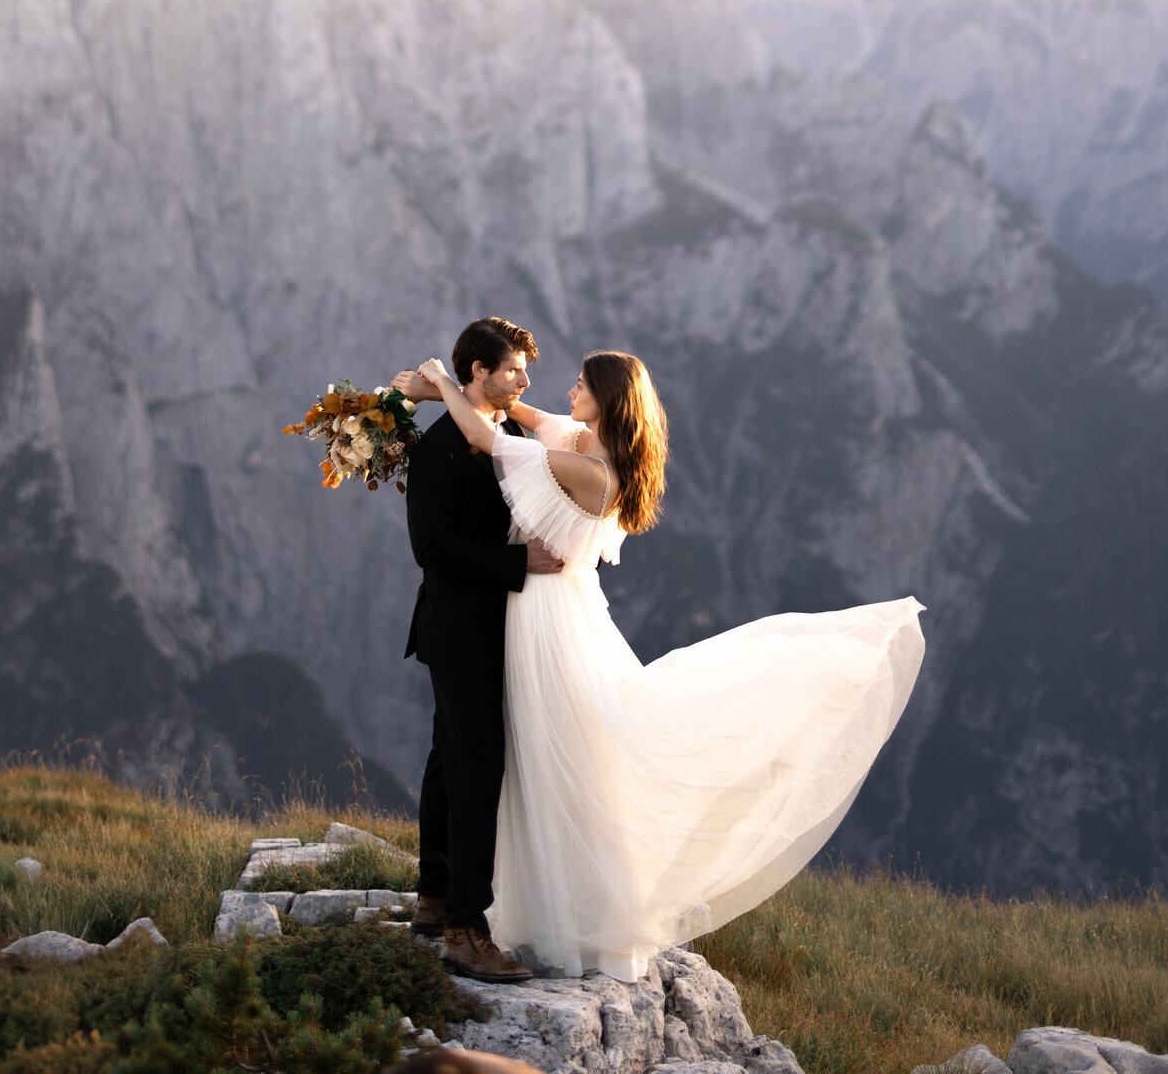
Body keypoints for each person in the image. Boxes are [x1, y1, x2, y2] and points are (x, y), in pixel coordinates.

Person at [396, 338, 925, 985]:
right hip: (540, 608)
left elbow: (491, 439)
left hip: (549, 619)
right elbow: (520, 416)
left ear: (607, 398)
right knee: (500, 754)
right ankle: (465, 898)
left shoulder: (593, 471)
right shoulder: (580, 438)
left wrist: (438, 383)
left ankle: (544, 909)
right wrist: (458, 392)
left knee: (553, 755)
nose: (565, 391)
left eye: (581, 383)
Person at [400, 316, 563, 982]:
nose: (525, 378)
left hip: (488, 629)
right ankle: (467, 928)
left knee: (449, 762)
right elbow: (431, 549)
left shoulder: (508, 433)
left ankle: (436, 896)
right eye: (513, 368)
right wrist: (517, 562)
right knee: (475, 772)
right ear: (479, 372)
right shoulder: (438, 448)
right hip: (460, 631)